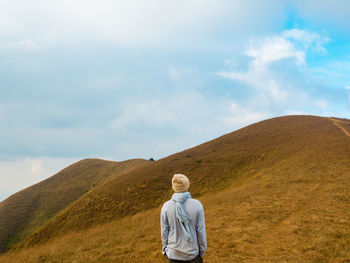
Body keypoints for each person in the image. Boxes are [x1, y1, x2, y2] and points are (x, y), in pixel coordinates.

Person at [160, 174, 207, 263]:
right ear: (187, 185)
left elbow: (164, 232)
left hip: (172, 254)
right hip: (192, 254)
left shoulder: (166, 206)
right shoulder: (197, 205)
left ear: (173, 186)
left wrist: (164, 250)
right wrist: (202, 251)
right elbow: (201, 231)